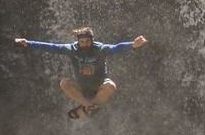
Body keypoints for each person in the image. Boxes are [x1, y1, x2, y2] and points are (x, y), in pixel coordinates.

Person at [14, 27, 148, 119]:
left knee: (111, 86)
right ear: (78, 41)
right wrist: (28, 43)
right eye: (81, 42)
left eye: (87, 41)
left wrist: (133, 44)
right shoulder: (72, 49)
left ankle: (85, 108)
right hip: (82, 88)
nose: (84, 44)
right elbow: (51, 47)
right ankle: (89, 106)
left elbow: (116, 48)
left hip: (99, 87)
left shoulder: (100, 49)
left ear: (92, 40)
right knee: (64, 83)